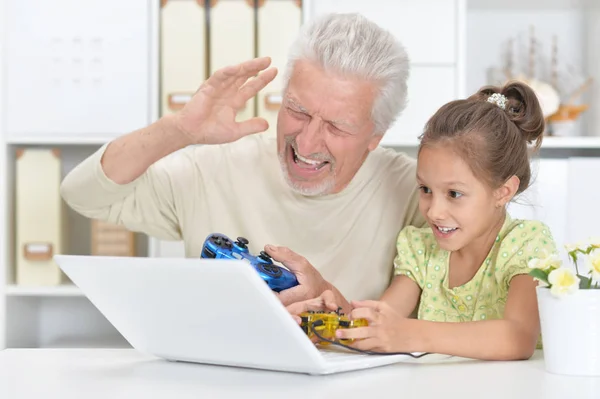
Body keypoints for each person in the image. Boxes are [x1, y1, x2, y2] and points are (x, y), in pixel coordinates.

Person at [59, 12, 426, 310]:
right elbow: (83, 195)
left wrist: (326, 298)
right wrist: (179, 130)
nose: (307, 141)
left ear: (376, 135)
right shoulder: (214, 169)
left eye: (336, 127)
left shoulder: (418, 193)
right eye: (297, 110)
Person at [287, 81, 559, 361]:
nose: (434, 211)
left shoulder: (526, 245)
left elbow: (517, 337)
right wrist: (326, 325)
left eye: (454, 194)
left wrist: (410, 333)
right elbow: (384, 321)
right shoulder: (421, 247)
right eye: (426, 189)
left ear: (503, 192)